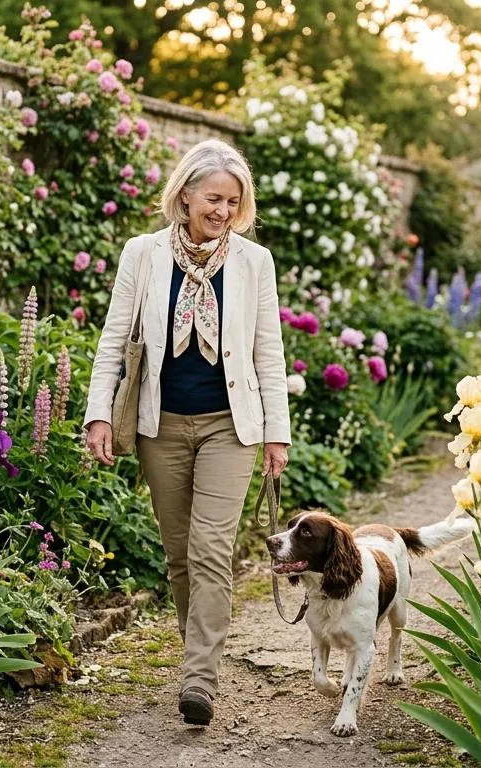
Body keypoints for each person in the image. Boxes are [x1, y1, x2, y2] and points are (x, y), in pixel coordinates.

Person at [84, 139, 291, 726]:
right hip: (161, 426)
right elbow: (113, 339)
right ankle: (196, 650)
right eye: (213, 198)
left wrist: (277, 431)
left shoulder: (255, 263)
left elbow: (268, 352)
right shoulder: (143, 254)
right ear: (184, 195)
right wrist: (99, 413)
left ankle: (199, 678)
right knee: (179, 555)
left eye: (233, 201)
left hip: (231, 426)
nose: (223, 211)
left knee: (210, 551)